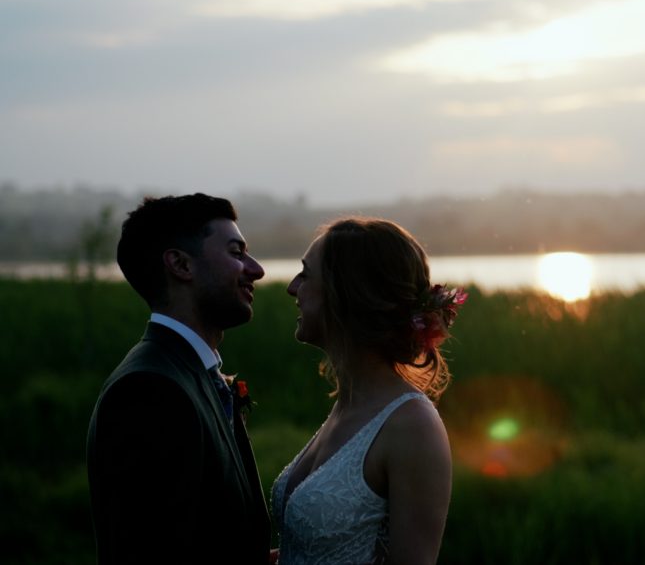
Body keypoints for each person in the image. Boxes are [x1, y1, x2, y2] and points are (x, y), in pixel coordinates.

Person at [86, 193, 272, 564]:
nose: (256, 269)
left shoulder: (188, 374)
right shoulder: (148, 390)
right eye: (236, 253)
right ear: (180, 265)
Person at [272, 218, 463, 565]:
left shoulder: (411, 425)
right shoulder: (347, 405)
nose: (291, 287)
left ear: (346, 291)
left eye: (305, 274)